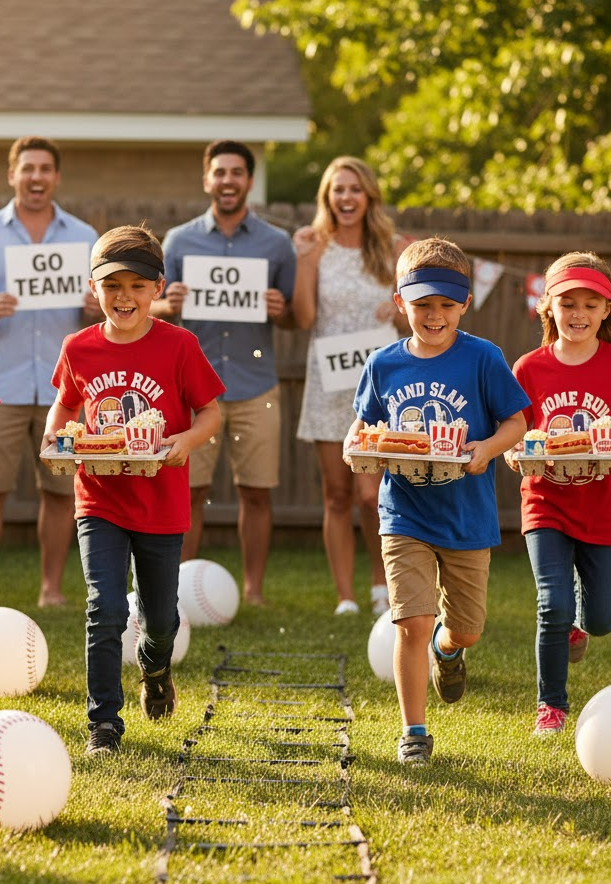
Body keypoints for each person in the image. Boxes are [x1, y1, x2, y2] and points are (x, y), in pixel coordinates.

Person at [42, 225, 224, 756]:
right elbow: (66, 404)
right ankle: (103, 722)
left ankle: (157, 666)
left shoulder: (179, 345)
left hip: (161, 501)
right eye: (112, 285)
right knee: (104, 606)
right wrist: (56, 435)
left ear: (158, 288)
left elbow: (211, 411)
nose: (125, 297)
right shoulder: (79, 347)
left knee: (160, 616)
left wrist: (186, 440)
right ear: (93, 288)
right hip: (98, 498)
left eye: (137, 286)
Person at [347, 236, 529, 766]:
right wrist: (353, 442)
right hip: (404, 512)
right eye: (422, 304)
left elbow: (516, 421)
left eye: (446, 305)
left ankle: (450, 653)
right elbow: (364, 423)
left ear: (464, 304)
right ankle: (415, 733)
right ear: (400, 303)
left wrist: (488, 448)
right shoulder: (383, 364)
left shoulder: (483, 358)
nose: (434, 315)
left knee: (465, 626)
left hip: (468, 516)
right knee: (411, 622)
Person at [507, 253, 611, 736]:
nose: (577, 313)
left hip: (603, 507)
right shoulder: (530, 368)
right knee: (551, 605)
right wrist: (514, 451)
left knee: (600, 620)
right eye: (567, 302)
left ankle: (578, 622)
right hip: (546, 503)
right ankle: (550, 706)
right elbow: (514, 429)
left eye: (589, 304)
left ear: (605, 311)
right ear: (547, 307)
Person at [0, 136, 99, 609]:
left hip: (66, 389)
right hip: (1, 385)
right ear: (12, 174)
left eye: (45, 169)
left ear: (56, 177)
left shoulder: (84, 237)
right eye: (27, 168)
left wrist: (96, 308)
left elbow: (108, 311)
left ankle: (51, 590)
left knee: (59, 493)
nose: (36, 177)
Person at [154, 140, 296, 605]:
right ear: (207, 180)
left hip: (257, 387)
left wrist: (282, 309)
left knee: (256, 493)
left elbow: (296, 316)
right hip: (194, 390)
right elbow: (149, 310)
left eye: (237, 173)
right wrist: (165, 303)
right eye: (220, 172)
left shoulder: (277, 244)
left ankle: (253, 590)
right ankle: (177, 590)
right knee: (188, 494)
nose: (228, 181)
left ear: (249, 182)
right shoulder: (178, 241)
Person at [292, 157, 409, 617]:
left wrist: (395, 310)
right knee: (337, 494)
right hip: (330, 382)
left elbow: (416, 316)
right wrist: (303, 262)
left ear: (369, 197)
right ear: (327, 198)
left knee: (372, 493)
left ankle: (383, 583)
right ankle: (345, 596)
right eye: (337, 190)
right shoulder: (313, 247)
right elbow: (302, 319)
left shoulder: (393, 247)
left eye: (354, 189)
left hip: (382, 385)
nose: (346, 198)